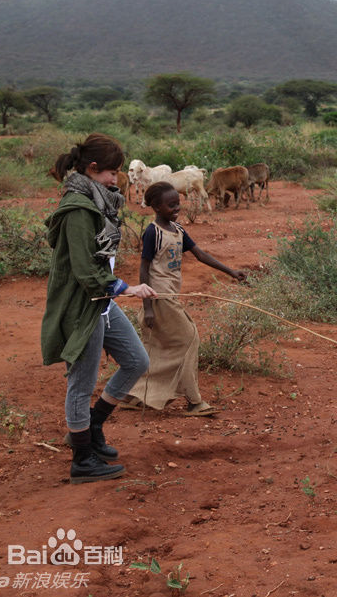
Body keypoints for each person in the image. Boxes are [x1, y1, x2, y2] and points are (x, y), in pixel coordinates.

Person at [40, 133, 157, 484]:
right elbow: (82, 268)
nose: (115, 179)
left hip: (100, 300)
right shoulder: (78, 207)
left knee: (137, 360)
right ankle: (82, 459)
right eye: (111, 172)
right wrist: (126, 288)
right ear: (92, 169)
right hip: (83, 303)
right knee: (81, 382)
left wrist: (114, 289)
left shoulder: (98, 201)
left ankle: (90, 428)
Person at [121, 181, 246, 415]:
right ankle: (194, 401)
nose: (177, 208)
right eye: (171, 205)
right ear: (156, 207)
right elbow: (144, 269)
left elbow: (199, 254)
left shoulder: (178, 231)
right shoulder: (153, 232)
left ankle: (135, 395)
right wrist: (147, 306)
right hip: (159, 296)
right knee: (190, 339)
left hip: (171, 295)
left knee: (161, 346)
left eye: (178, 204)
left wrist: (230, 271)